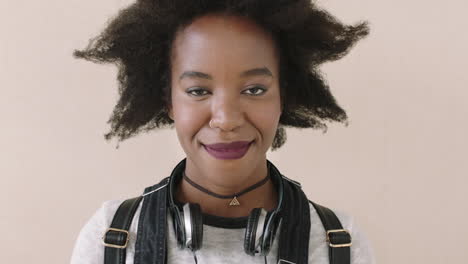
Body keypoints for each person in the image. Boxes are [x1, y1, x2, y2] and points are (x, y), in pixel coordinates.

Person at [70, 0, 374, 263]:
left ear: (284, 96)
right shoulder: (110, 237)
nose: (226, 119)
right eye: (198, 90)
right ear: (169, 102)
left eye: (254, 89)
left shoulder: (340, 244)